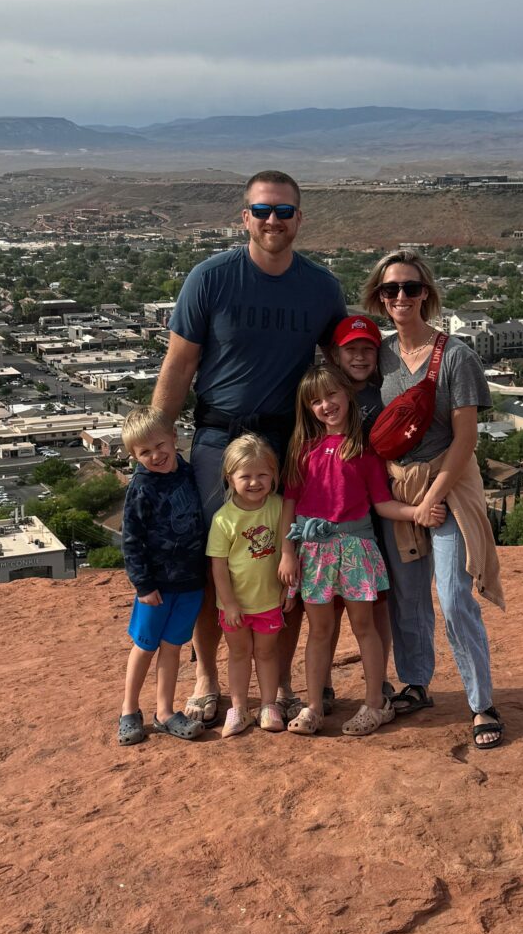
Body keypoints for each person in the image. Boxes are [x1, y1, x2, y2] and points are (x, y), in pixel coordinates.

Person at [153, 170, 346, 722]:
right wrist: (158, 441)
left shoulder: (320, 287)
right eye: (262, 211)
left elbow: (342, 365)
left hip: (288, 439)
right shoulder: (210, 279)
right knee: (216, 559)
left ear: (299, 219)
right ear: (245, 217)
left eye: (284, 212)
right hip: (219, 437)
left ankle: (278, 684)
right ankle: (208, 676)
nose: (272, 221)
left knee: (283, 562)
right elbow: (179, 363)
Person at [366, 249, 507, 751]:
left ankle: (481, 702)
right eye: (390, 290)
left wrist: (433, 497)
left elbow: (466, 439)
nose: (400, 297)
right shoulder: (378, 355)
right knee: (407, 594)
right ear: (379, 298)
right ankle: (416, 682)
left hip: (448, 483)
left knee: (451, 594)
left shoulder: (457, 356)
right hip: (399, 488)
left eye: (409, 287)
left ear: (426, 292)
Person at [276, 363, 434, 737]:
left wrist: (417, 512)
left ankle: (375, 704)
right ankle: (313, 705)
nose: (326, 405)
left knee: (365, 627)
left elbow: (381, 504)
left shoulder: (365, 450)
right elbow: (289, 504)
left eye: (332, 394)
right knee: (319, 629)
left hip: (356, 549)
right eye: (316, 401)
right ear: (308, 408)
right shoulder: (302, 450)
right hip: (313, 551)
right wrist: (287, 551)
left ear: (348, 394)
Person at [116, 408, 207, 745]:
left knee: (173, 647)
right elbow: (131, 539)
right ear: (134, 456)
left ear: (173, 437)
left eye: (159, 444)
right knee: (145, 646)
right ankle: (129, 710)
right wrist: (143, 584)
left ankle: (165, 712)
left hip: (190, 582)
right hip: (156, 586)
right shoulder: (141, 487)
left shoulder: (188, 472)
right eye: (144, 452)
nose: (155, 455)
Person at [326, 313, 394, 705]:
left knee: (375, 601)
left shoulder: (382, 396)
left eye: (368, 349)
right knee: (329, 605)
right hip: (332, 515)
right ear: (336, 354)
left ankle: (379, 678)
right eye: (352, 349)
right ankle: (323, 683)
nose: (360, 357)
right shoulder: (325, 395)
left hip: (372, 516)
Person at [206, 433, 287, 738]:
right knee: (238, 654)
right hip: (234, 606)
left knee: (267, 654)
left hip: (269, 601)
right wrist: (228, 603)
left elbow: (287, 551)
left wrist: (286, 590)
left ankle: (268, 705)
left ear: (274, 475)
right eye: (246, 476)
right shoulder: (223, 519)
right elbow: (219, 565)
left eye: (262, 475)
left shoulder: (278, 507)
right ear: (230, 478)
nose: (255, 482)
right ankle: (238, 708)